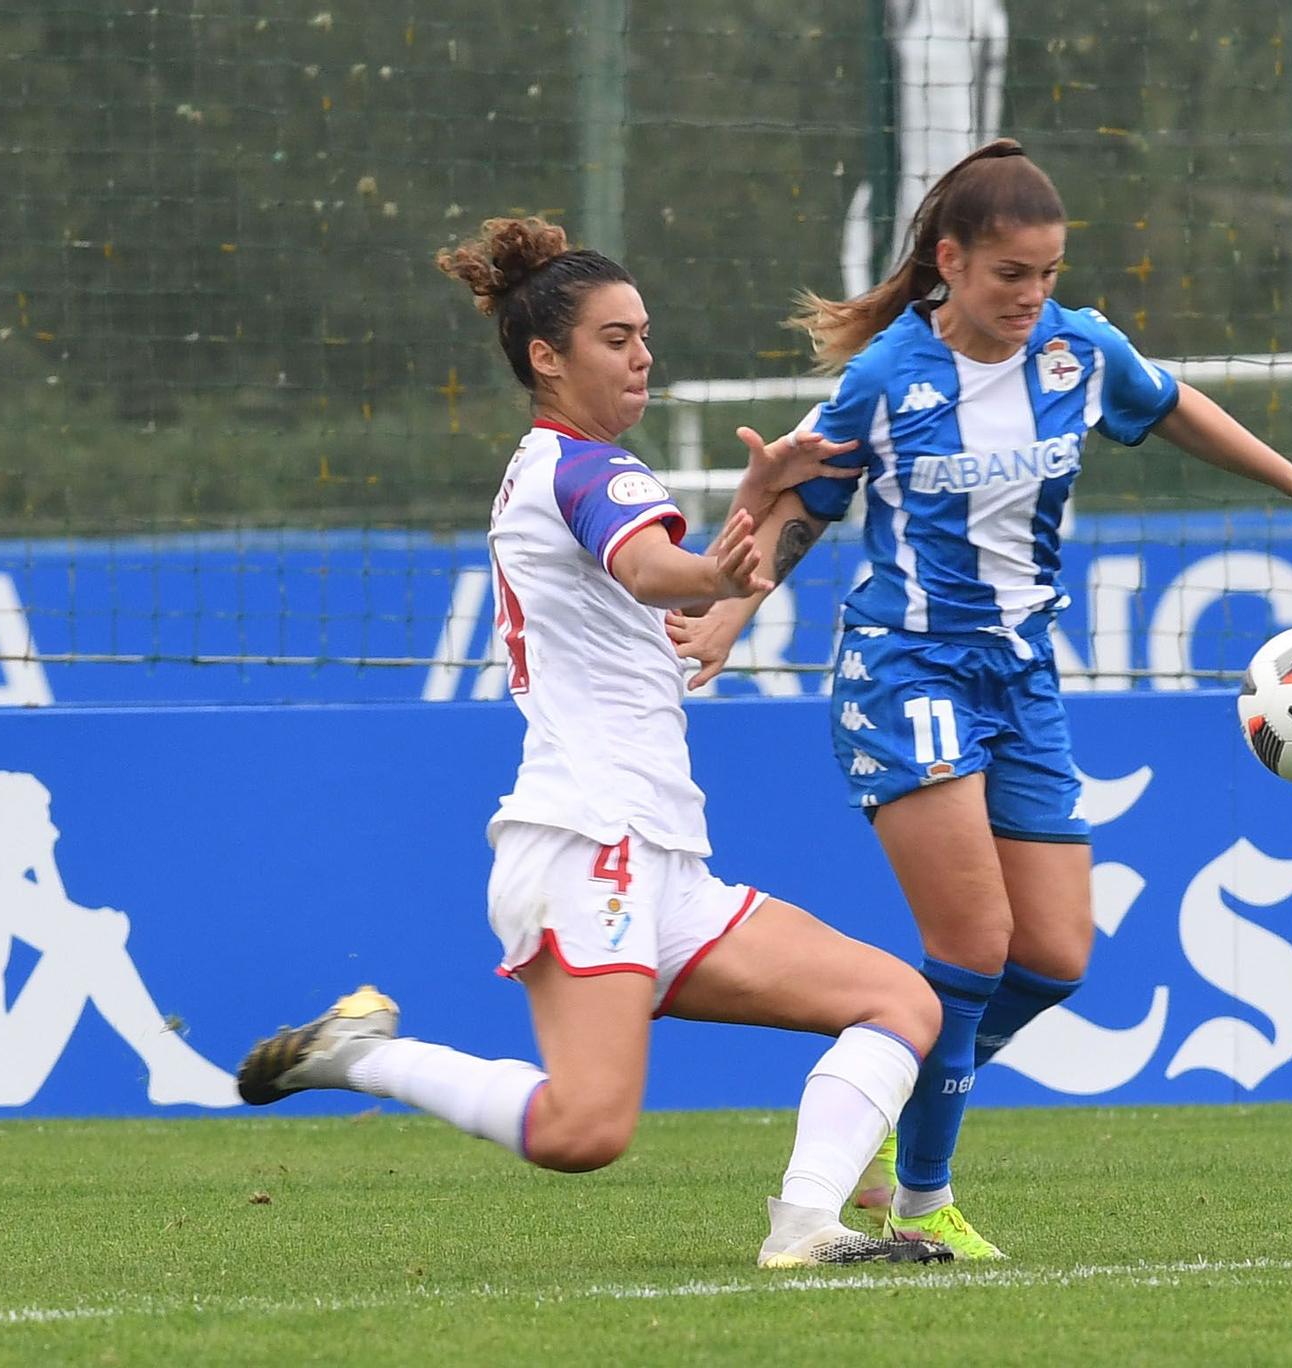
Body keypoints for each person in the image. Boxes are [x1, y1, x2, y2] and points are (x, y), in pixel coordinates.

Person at [668, 139, 1292, 1259]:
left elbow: (1167, 405)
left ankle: (888, 1113)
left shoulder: (1076, 352)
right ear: (950, 264)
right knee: (969, 944)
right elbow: (801, 497)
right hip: (905, 670)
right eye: (1013, 274)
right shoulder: (889, 379)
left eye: (1048, 274)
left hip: (1023, 676)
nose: (1033, 297)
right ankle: (916, 1198)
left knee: (1054, 959)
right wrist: (726, 610)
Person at [235, 217, 953, 1270]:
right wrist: (712, 575)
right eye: (615, 338)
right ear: (545, 357)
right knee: (586, 1132)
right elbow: (660, 572)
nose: (642, 355)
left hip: (657, 858)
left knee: (897, 1001)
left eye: (644, 335)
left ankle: (805, 1228)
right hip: (588, 844)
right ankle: (362, 1058)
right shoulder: (582, 470)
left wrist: (748, 511)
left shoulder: (578, 476)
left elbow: (656, 581)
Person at [0, 771, 237, 1109]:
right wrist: (44, 859)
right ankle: (170, 1065)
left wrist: (43, 859)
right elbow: (90, 931)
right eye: (40, 821)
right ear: (10, 830)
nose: (52, 832)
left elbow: (69, 926)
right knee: (91, 942)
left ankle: (170, 1064)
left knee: (88, 942)